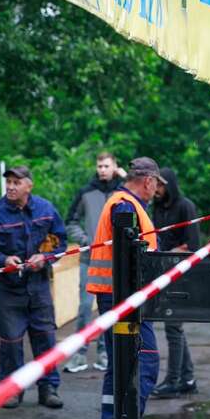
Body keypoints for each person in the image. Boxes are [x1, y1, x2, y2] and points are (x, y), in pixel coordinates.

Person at [86, 157, 165, 419]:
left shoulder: (121, 202)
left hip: (115, 295)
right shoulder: (125, 207)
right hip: (123, 297)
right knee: (143, 362)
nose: (157, 190)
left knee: (118, 368)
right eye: (156, 184)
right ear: (147, 181)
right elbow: (132, 255)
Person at [0, 166, 67, 410]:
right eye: (9, 182)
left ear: (29, 185)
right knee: (11, 342)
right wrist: (2, 260)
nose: (11, 187)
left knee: (45, 338)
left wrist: (44, 258)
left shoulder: (46, 210)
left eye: (17, 182)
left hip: (39, 287)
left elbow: (61, 243)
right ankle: (11, 391)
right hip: (9, 289)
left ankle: (48, 389)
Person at [63, 152, 125, 373]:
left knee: (108, 310)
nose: (102, 169)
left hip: (117, 262)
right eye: (99, 166)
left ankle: (104, 354)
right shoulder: (86, 192)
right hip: (89, 260)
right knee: (84, 308)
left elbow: (141, 212)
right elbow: (70, 221)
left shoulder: (123, 192)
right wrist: (85, 240)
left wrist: (125, 178)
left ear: (115, 167)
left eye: (106, 165)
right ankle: (80, 354)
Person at [150, 168, 200, 399]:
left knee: (173, 326)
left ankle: (173, 379)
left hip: (180, 273)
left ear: (168, 185)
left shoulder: (185, 206)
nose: (156, 190)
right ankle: (187, 378)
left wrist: (169, 252)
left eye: (159, 186)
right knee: (174, 327)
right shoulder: (156, 207)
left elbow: (192, 245)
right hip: (162, 271)